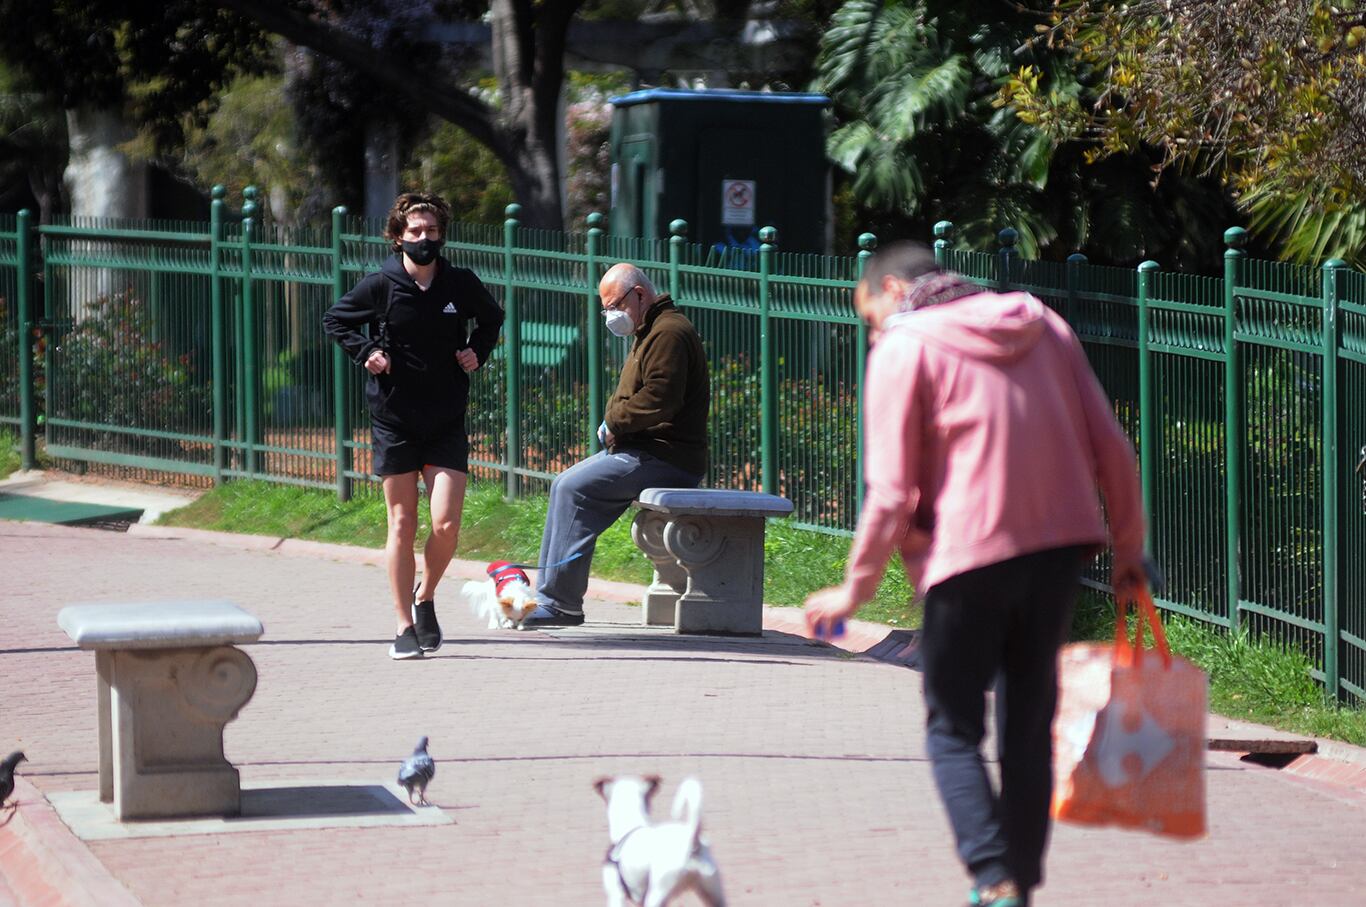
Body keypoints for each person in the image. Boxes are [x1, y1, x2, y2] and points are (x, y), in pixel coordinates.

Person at [804, 243, 1146, 907]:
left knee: (952, 726)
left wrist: (856, 587)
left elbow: (892, 491)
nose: (874, 332)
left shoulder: (904, 347)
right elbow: (1112, 446)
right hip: (1056, 552)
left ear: (896, 289)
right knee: (1027, 722)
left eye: (870, 317)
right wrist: (1129, 549)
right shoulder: (1043, 323)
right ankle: (1019, 881)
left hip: (964, 558)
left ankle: (994, 877)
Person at [323, 191, 504, 660]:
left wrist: (476, 351)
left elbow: (492, 318)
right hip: (395, 418)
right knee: (402, 523)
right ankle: (404, 625)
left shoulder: (458, 283)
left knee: (445, 524)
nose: (424, 239)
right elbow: (336, 320)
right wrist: (367, 352)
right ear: (399, 237)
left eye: (431, 231)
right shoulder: (381, 285)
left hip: (445, 418)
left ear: (441, 234)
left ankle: (426, 598)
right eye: (415, 231)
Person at [520, 263, 710, 628]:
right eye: (605, 308)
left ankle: (560, 603)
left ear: (639, 295)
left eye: (614, 305)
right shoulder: (651, 328)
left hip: (665, 455)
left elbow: (660, 398)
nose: (610, 315)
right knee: (565, 484)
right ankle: (552, 594)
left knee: (576, 488)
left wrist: (615, 423)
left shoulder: (668, 332)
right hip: (649, 450)